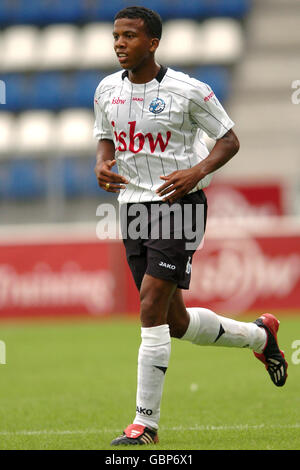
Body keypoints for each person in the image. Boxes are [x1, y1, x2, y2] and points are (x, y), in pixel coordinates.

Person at [93, 6, 288, 446]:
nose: (120, 43)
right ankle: (260, 335)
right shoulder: (106, 90)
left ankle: (145, 425)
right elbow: (104, 137)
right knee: (173, 320)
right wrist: (101, 165)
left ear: (153, 43)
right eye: (116, 36)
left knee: (148, 306)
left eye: (129, 36)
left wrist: (195, 173)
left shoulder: (188, 90)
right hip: (133, 208)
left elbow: (229, 140)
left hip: (179, 206)